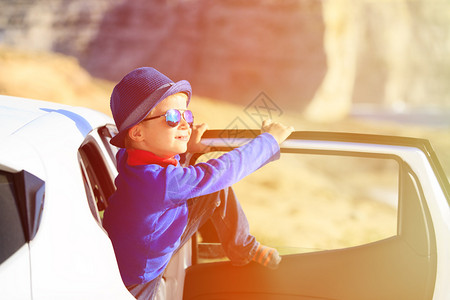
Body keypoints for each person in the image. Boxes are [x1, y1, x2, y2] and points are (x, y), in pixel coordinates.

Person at [102, 67, 294, 299]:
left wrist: (187, 154)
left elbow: (167, 176)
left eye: (187, 115)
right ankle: (243, 247)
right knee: (216, 181)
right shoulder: (157, 182)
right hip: (136, 283)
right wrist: (268, 141)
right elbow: (222, 171)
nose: (185, 124)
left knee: (212, 187)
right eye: (172, 118)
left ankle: (242, 246)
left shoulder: (130, 160)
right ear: (138, 133)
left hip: (139, 257)